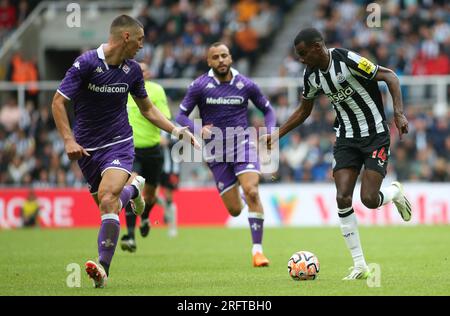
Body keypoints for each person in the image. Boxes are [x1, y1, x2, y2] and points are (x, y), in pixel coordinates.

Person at [52, 15, 198, 288]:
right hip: (86, 148)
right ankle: (135, 188)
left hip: (119, 142)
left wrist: (177, 131)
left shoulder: (132, 71)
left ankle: (102, 268)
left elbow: (147, 109)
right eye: (140, 39)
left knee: (108, 198)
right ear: (126, 37)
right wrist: (68, 140)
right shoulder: (86, 63)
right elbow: (58, 102)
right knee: (109, 205)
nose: (143, 46)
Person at [261, 28, 412, 280]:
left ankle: (395, 193)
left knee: (369, 199)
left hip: (374, 134)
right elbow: (304, 110)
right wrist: (277, 134)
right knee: (342, 197)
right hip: (346, 139)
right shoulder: (311, 76)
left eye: (302, 53)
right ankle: (360, 265)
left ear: (317, 47)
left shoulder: (346, 59)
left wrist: (398, 112)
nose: (300, 59)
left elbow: (390, 76)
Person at [176, 42, 276, 267]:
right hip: (215, 152)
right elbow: (180, 117)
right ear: (209, 62)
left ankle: (257, 252)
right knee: (234, 211)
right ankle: (242, 199)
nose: (220, 60)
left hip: (243, 144)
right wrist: (196, 129)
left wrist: (270, 131)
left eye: (224, 56)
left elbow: (268, 110)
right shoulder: (200, 86)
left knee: (252, 191)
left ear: (230, 58)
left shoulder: (246, 84)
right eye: (215, 57)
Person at [120, 62, 171, 253]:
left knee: (149, 196)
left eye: (143, 70)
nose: (139, 73)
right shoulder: (122, 91)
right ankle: (131, 236)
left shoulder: (156, 91)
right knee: (131, 188)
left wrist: (166, 136)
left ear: (148, 73)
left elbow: (164, 116)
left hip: (153, 151)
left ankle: (147, 216)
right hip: (131, 151)